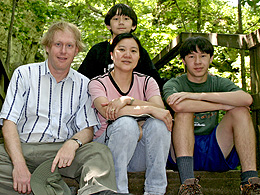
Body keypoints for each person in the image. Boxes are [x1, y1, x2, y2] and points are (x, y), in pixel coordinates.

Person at [0, 21, 131, 195]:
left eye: (69, 45)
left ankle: (96, 191)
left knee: (98, 152)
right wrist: (19, 166)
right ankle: (55, 187)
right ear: (47, 47)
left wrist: (73, 143)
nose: (63, 51)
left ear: (76, 50)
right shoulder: (24, 74)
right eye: (58, 44)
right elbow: (9, 122)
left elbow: (87, 128)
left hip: (63, 154)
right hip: (25, 148)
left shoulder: (84, 83)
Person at [163, 36, 260, 195]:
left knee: (240, 111)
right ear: (183, 61)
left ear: (211, 58)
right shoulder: (174, 84)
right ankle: (188, 185)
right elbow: (178, 105)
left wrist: (197, 96)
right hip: (181, 150)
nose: (198, 62)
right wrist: (222, 105)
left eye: (203, 56)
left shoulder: (218, 82)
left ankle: (250, 181)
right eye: (191, 56)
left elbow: (246, 99)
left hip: (214, 147)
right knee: (183, 113)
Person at [88, 33, 172, 195]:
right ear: (112, 55)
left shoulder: (147, 82)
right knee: (126, 124)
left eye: (133, 51)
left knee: (159, 124)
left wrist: (128, 100)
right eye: (121, 50)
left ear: (139, 57)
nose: (127, 55)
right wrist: (148, 109)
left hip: (138, 156)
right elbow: (109, 113)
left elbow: (161, 111)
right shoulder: (97, 83)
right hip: (107, 154)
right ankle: (118, 191)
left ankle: (156, 190)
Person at [77, 3, 165, 89]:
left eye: (126, 19)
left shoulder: (139, 52)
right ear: (108, 25)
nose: (121, 22)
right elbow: (82, 80)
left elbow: (155, 81)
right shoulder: (98, 50)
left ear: (133, 25)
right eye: (116, 19)